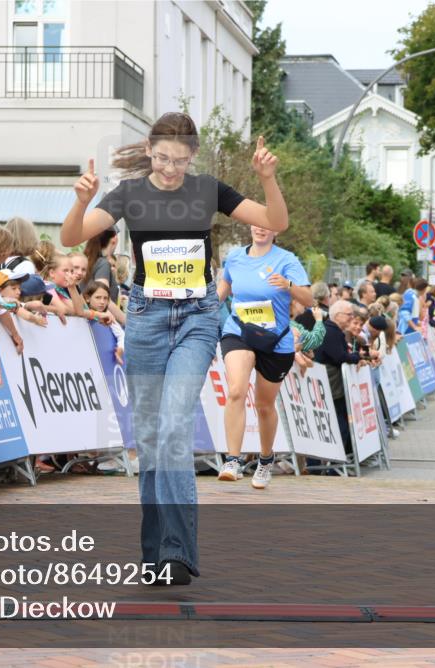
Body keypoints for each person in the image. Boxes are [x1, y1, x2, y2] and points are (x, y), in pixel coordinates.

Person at [61, 112, 287, 585]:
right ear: (148, 149)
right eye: (162, 158)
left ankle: (176, 555)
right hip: (144, 319)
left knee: (174, 428)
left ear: (193, 156)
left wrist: (268, 178)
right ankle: (154, 552)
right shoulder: (129, 194)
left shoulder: (208, 190)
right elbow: (70, 237)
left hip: (198, 318)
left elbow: (274, 220)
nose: (170, 169)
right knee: (151, 442)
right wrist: (81, 202)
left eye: (180, 161)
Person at [215, 225, 312, 489]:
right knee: (235, 390)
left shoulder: (287, 260)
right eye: (256, 223)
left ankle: (265, 459)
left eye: (266, 225)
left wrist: (289, 285)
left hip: (275, 340)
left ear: (275, 230)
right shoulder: (235, 257)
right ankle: (232, 460)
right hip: (239, 330)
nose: (260, 228)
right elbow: (222, 291)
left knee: (264, 405)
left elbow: (310, 299)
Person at [314, 300, 369, 459]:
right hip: (332, 385)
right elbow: (339, 356)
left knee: (340, 423)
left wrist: (356, 357)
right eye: (349, 315)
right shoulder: (331, 331)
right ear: (338, 316)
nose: (352, 318)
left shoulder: (333, 330)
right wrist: (358, 356)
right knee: (340, 424)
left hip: (331, 383)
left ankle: (332, 463)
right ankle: (335, 463)